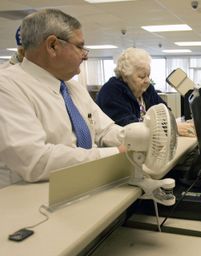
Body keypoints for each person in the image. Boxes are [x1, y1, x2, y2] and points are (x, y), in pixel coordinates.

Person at [0, 9, 127, 189]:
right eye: (80, 47)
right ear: (52, 45)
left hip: (80, 187)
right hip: (30, 204)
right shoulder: (7, 86)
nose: (85, 55)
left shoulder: (72, 87)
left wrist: (140, 136)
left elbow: (105, 130)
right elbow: (35, 160)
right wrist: (114, 153)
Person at [96, 47, 194, 137]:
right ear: (125, 76)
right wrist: (170, 128)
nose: (147, 80)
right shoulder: (111, 92)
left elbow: (165, 111)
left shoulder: (147, 89)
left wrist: (170, 126)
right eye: (142, 76)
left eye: (148, 75)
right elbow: (130, 128)